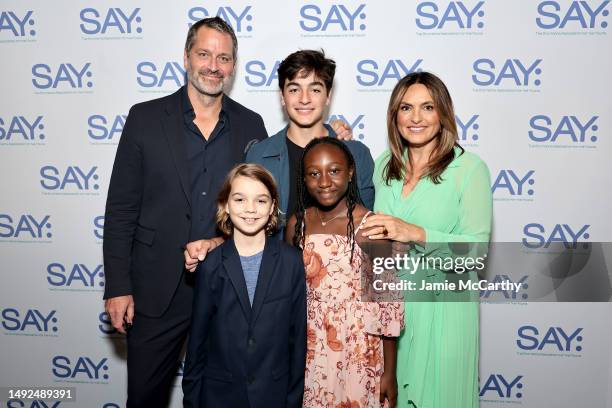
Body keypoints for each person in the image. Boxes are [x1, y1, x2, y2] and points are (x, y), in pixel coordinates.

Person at [103, 17, 270, 407]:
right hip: (154, 289)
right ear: (186, 57)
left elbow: (266, 204)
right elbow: (121, 209)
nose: (214, 65)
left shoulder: (251, 125)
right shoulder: (144, 118)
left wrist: (331, 136)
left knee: (218, 398)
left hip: (226, 289)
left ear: (233, 65)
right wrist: (118, 286)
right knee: (144, 397)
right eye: (204, 54)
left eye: (224, 57)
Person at [361, 72, 493, 408]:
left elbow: (476, 253)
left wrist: (414, 233)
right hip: (393, 318)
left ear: (443, 114)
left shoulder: (470, 169)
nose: (416, 118)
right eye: (406, 108)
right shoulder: (384, 167)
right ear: (395, 116)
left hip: (445, 312)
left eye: (427, 107)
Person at [286, 137, 404, 408]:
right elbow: (287, 294)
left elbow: (388, 308)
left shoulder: (372, 226)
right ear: (303, 178)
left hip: (359, 349)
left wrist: (389, 373)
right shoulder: (297, 224)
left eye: (334, 170)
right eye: (314, 173)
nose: (324, 181)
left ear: (351, 172)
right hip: (310, 348)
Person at [183, 163, 306, 407]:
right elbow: (197, 343)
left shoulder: (291, 261)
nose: (250, 209)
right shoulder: (211, 265)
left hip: (274, 395)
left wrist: (293, 400)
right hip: (219, 396)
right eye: (240, 199)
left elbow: (297, 339)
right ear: (225, 205)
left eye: (261, 201)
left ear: (272, 207)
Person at [246, 49, 374, 237]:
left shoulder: (356, 154)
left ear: (328, 96)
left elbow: (368, 224)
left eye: (315, 90)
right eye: (294, 89)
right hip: (277, 265)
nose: (304, 99)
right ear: (282, 96)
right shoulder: (259, 155)